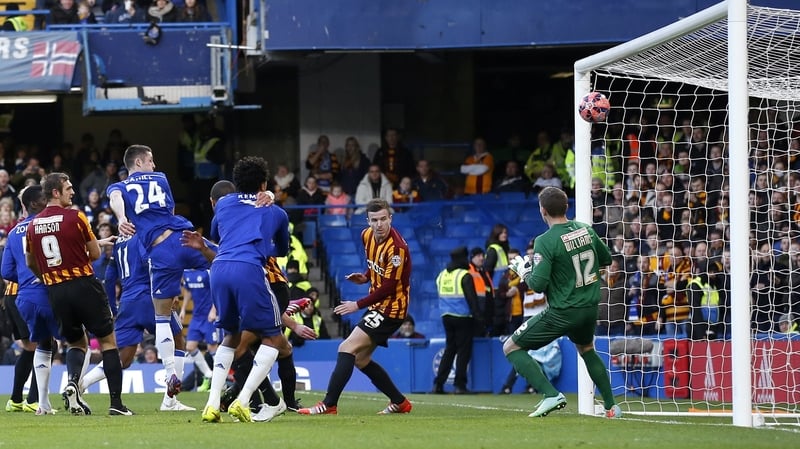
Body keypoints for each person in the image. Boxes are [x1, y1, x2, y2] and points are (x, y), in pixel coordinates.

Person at [504, 186, 620, 419]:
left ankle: (550, 394)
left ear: (542, 211)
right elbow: (606, 258)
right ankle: (611, 407)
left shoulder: (545, 241)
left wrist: (525, 271)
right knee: (587, 349)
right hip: (589, 307)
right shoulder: (585, 230)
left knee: (511, 347)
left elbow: (537, 284)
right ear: (567, 207)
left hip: (564, 310)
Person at [107, 144, 211, 399]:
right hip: (183, 238)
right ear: (139, 162)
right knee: (225, 261)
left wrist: (121, 219)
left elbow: (116, 200)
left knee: (162, 316)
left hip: (160, 252)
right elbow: (170, 210)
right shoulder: (161, 178)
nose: (154, 165)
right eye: (150, 160)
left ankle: (169, 375)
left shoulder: (119, 187)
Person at [25, 172, 132, 416]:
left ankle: (73, 382)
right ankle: (116, 404)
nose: (73, 192)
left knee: (76, 342)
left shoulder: (33, 224)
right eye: (68, 188)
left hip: (55, 291)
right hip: (84, 284)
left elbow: (30, 260)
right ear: (55, 192)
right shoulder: (76, 217)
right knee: (108, 341)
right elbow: (95, 254)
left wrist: (47, 276)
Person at [197, 156, 293, 424]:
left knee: (230, 337)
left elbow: (218, 234)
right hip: (249, 269)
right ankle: (243, 400)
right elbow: (283, 249)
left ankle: (212, 404)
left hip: (219, 269)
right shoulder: (276, 212)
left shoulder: (225, 203)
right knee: (273, 338)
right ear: (264, 183)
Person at [298, 198, 413, 415]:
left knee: (346, 348)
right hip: (378, 306)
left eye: (383, 219)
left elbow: (390, 286)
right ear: (367, 221)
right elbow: (375, 264)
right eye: (374, 220)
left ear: (391, 218)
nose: (379, 224)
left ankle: (329, 404)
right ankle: (400, 402)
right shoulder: (366, 236)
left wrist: (357, 305)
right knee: (360, 359)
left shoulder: (397, 249)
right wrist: (365, 277)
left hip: (391, 309)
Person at [81, 232, 195, 411]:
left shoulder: (119, 242)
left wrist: (112, 306)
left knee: (124, 357)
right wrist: (167, 294)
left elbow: (110, 276)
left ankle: (83, 383)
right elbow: (151, 264)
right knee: (178, 339)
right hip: (148, 297)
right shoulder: (145, 236)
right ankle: (170, 400)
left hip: (127, 302)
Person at [2, 185, 58, 415]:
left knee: (29, 346)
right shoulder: (41, 227)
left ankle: (16, 399)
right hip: (28, 293)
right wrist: (32, 278)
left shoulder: (14, 231)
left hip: (12, 296)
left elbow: (6, 270)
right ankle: (34, 399)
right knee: (45, 344)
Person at [432, 246, 480, 394]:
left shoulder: (442, 275)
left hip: (446, 316)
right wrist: (479, 318)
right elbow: (472, 300)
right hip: (463, 317)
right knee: (463, 351)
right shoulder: (465, 275)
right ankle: (460, 385)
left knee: (450, 349)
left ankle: (438, 385)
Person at [180, 268, 217, 393]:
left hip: (209, 316)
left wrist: (214, 310)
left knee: (212, 348)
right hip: (197, 317)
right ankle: (208, 374)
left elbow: (216, 291)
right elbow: (188, 291)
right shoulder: (187, 272)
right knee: (190, 347)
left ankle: (219, 381)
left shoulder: (207, 272)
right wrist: (184, 309)